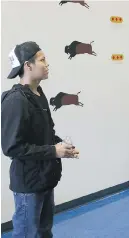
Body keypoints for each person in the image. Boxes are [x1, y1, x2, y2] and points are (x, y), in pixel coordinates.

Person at [1, 41, 80, 238]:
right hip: (28, 186)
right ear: (28, 66)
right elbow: (12, 148)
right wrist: (54, 151)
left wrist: (61, 146)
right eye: (42, 60)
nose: (47, 64)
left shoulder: (38, 94)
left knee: (44, 233)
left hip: (45, 180)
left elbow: (44, 134)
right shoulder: (16, 101)